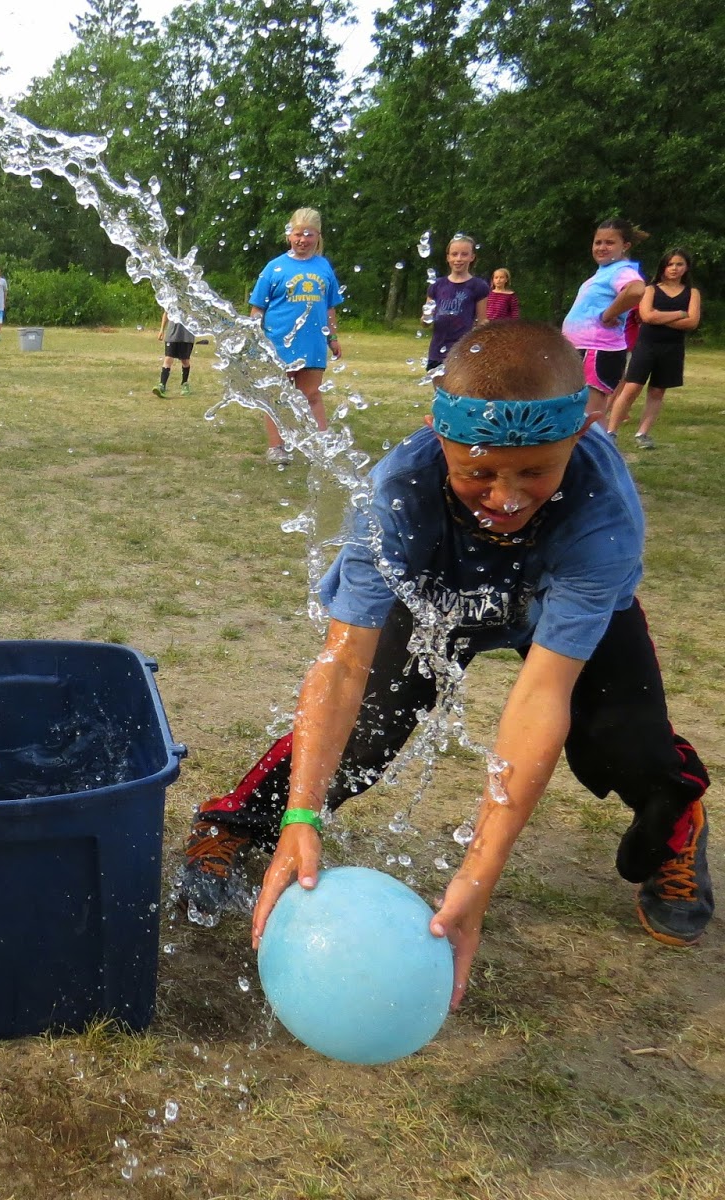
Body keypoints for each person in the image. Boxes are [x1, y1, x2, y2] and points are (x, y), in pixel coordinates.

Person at [179, 320, 712, 1008]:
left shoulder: (601, 510)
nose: (508, 497)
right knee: (366, 735)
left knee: (625, 744)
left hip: (556, 603)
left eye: (536, 472)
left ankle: (677, 824)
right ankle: (235, 822)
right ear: (441, 436)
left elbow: (541, 696)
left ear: (579, 435)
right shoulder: (396, 493)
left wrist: (477, 880)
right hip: (438, 597)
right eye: (478, 472)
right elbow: (341, 667)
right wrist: (301, 818)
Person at [248, 207, 344, 466]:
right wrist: (254, 336)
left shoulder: (323, 267)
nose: (302, 240)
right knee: (277, 395)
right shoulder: (275, 267)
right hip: (278, 342)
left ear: (318, 236)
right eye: (297, 234)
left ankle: (322, 444)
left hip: (312, 342)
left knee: (311, 394)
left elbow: (330, 306)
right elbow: (258, 308)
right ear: (289, 235)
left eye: (309, 235)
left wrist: (332, 338)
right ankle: (277, 446)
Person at [607, 248, 701, 450]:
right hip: (647, 345)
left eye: (679, 264)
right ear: (663, 267)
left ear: (686, 267)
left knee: (658, 391)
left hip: (673, 348)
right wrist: (679, 313)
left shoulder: (692, 293)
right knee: (631, 388)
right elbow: (647, 317)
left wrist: (661, 317)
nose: (674, 268)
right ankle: (611, 431)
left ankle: (643, 433)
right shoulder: (650, 290)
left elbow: (692, 322)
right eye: (670, 264)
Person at [562, 218, 648, 420]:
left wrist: (607, 314)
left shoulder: (622, 270)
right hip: (584, 349)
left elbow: (636, 290)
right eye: (598, 242)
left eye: (609, 243)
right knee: (582, 415)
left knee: (589, 416)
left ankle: (598, 451)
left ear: (625, 246)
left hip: (597, 351)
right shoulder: (604, 272)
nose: (601, 247)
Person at [422, 235, 490, 369]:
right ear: (448, 258)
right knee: (440, 391)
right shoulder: (436, 286)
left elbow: (482, 322)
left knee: (460, 390)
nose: (458, 259)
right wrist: (426, 317)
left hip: (463, 351)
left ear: (472, 257)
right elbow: (424, 323)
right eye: (454, 254)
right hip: (437, 351)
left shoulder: (478, 286)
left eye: (464, 254)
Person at [151, 309, 195, 398]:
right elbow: (166, 313)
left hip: (187, 336)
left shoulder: (190, 298)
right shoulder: (171, 299)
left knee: (185, 361)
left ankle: (184, 384)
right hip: (172, 334)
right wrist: (162, 330)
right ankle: (162, 385)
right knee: (168, 358)